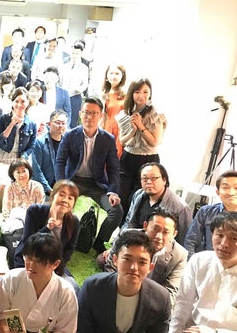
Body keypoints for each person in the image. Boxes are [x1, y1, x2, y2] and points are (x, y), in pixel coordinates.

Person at [73, 230, 170, 333]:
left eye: (142, 262)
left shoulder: (161, 298)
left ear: (150, 267)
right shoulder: (92, 287)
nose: (134, 267)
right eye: (127, 259)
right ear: (115, 260)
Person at [0, 232, 78, 333]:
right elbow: (0, 314)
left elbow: (65, 331)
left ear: (55, 264)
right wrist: (6, 332)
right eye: (28, 258)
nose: (31, 265)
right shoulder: (11, 279)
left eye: (39, 261)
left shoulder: (65, 291)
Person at [55, 96, 123, 253]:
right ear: (80, 114)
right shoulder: (70, 135)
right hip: (73, 181)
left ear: (101, 115)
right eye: (86, 112)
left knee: (116, 210)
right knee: (60, 204)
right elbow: (60, 162)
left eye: (94, 113)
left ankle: (99, 241)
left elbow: (113, 169)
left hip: (96, 183)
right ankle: (62, 239)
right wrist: (61, 184)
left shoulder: (108, 139)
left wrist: (113, 191)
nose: (89, 117)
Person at [166, 212, 237, 333]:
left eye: (234, 238)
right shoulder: (199, 260)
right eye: (219, 235)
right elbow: (183, 302)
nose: (224, 244)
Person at [100, 206, 187, 307]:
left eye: (165, 232)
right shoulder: (127, 235)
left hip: (150, 297)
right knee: (101, 260)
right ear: (145, 225)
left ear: (174, 234)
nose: (158, 236)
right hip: (122, 284)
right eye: (155, 229)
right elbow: (110, 266)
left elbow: (170, 292)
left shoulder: (180, 255)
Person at [13, 180, 80, 288]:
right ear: (53, 196)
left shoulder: (74, 221)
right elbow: (28, 242)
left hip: (53, 265)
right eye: (61, 195)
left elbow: (69, 249)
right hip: (30, 260)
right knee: (30, 287)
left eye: (70, 198)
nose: (65, 200)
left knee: (73, 288)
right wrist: (47, 228)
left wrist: (54, 267)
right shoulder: (35, 211)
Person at [118, 78, 167, 212]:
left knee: (139, 199)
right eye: (137, 92)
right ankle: (121, 224)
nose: (141, 96)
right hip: (128, 158)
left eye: (145, 92)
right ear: (131, 93)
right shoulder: (125, 113)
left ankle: (134, 224)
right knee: (122, 197)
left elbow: (154, 142)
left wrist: (140, 126)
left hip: (148, 160)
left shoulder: (156, 114)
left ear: (150, 93)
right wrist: (133, 131)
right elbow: (122, 141)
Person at [120, 162, 192, 246]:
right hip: (135, 243)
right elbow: (128, 222)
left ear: (164, 180)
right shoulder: (138, 195)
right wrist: (119, 244)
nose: (149, 182)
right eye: (144, 178)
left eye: (153, 178)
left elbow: (184, 241)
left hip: (160, 248)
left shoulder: (181, 208)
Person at [0, 87, 37, 204]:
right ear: (12, 102)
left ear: (27, 103)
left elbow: (31, 146)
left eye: (23, 101)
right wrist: (12, 123)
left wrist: (23, 157)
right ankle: (1, 210)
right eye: (16, 101)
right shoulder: (4, 118)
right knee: (3, 186)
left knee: (20, 186)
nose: (19, 105)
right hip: (4, 156)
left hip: (20, 158)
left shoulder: (31, 123)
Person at [184, 170, 237, 257]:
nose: (231, 193)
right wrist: (194, 263)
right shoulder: (205, 212)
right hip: (206, 262)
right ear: (218, 192)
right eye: (225, 187)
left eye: (236, 188)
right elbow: (191, 242)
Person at [0, 158, 45, 237]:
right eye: (18, 172)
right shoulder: (9, 187)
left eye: (24, 171)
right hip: (14, 221)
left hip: (33, 221)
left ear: (29, 171)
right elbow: (6, 212)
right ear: (13, 174)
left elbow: (40, 210)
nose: (22, 175)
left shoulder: (37, 186)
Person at [31, 110, 68, 196]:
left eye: (63, 123)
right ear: (50, 123)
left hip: (62, 188)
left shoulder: (68, 143)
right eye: (57, 122)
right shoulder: (39, 142)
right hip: (43, 189)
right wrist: (49, 190)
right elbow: (36, 170)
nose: (60, 125)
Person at [99, 63, 127, 159]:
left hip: (122, 130)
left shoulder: (126, 94)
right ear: (106, 76)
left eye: (117, 73)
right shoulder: (104, 94)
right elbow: (101, 117)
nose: (114, 76)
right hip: (107, 129)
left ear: (122, 76)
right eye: (111, 73)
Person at [60, 41, 89, 128]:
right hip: (63, 95)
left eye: (77, 53)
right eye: (73, 53)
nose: (74, 55)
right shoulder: (65, 65)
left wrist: (79, 89)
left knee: (72, 121)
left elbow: (85, 83)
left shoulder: (84, 68)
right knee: (61, 117)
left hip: (75, 96)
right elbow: (60, 80)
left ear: (81, 53)